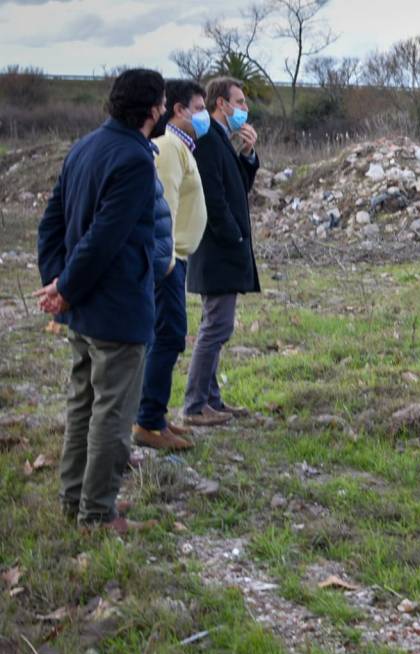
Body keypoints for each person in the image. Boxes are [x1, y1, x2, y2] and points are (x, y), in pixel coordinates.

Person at [35, 68, 167, 532]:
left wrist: (58, 281)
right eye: (164, 103)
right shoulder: (133, 159)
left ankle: (76, 500)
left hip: (84, 307)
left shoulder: (85, 146)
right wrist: (64, 285)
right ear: (153, 110)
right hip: (115, 309)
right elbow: (103, 239)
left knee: (82, 406)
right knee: (112, 413)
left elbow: (50, 224)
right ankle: (97, 512)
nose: (165, 111)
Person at [134, 79, 219, 450]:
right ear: (179, 110)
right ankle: (149, 422)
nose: (204, 116)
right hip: (169, 261)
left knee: (167, 336)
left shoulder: (183, 148)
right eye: (199, 108)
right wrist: (166, 260)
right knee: (168, 337)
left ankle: (155, 415)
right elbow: (163, 205)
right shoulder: (169, 148)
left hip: (176, 257)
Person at [182, 77, 260, 425]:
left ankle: (210, 399)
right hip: (217, 250)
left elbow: (238, 189)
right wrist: (234, 237)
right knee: (217, 326)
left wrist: (247, 156)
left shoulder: (222, 140)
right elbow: (213, 198)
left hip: (223, 248)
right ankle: (195, 405)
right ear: (221, 104)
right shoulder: (209, 141)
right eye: (239, 102)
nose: (244, 109)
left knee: (215, 324)